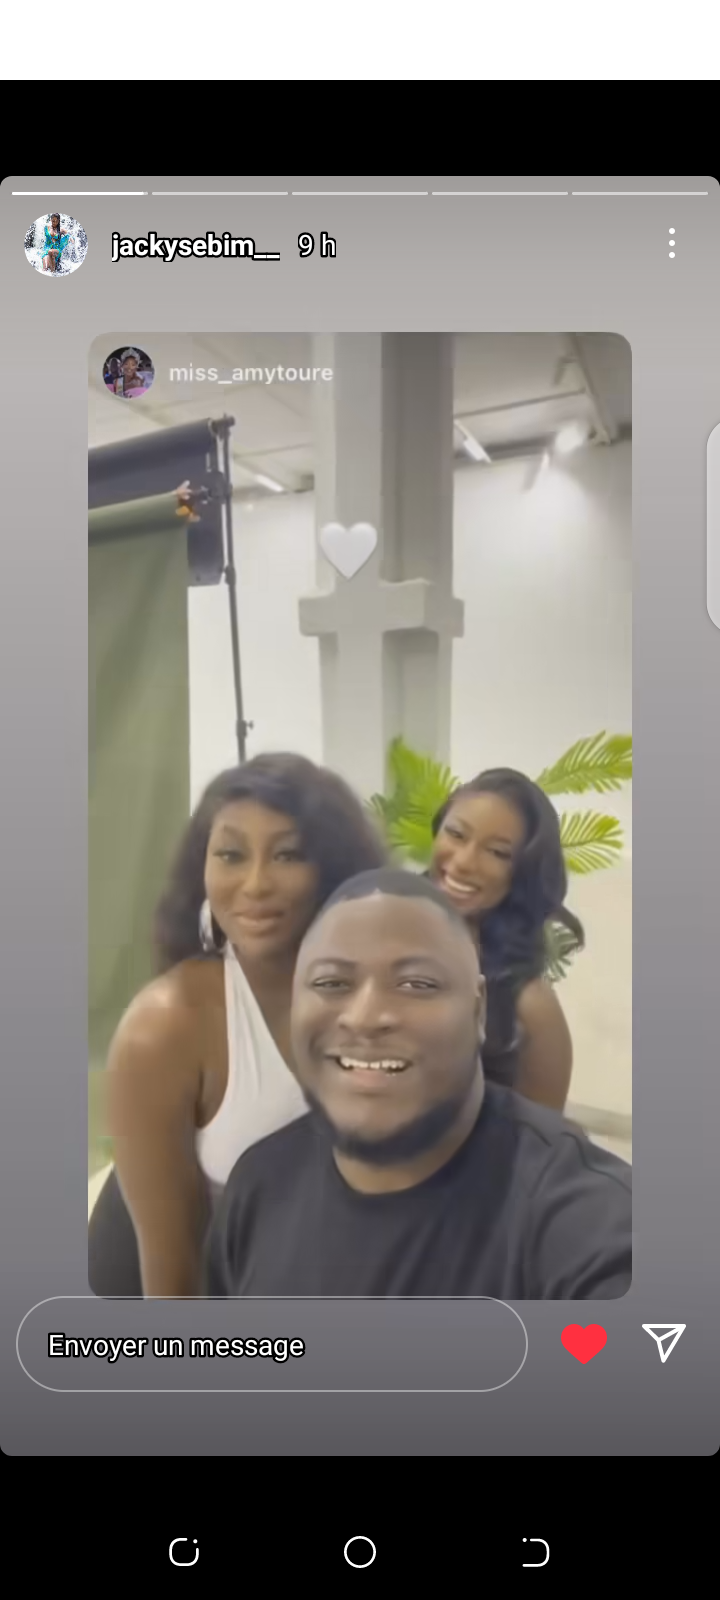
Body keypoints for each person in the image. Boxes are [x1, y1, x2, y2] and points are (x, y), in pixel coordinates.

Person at [204, 870, 631, 1300]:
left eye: (417, 984)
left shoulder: (583, 1219)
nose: (365, 1017)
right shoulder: (260, 1185)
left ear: (478, 1011)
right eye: (331, 983)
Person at [88, 754, 387, 1299]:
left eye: (287, 854)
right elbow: (173, 1281)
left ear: (334, 868)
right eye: (230, 854)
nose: (255, 884)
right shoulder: (164, 1026)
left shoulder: (383, 998)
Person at [427, 769, 584, 1111]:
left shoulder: (531, 1008)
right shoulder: (375, 929)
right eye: (456, 834)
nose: (464, 862)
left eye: (498, 852)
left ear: (523, 873)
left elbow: (540, 1139)